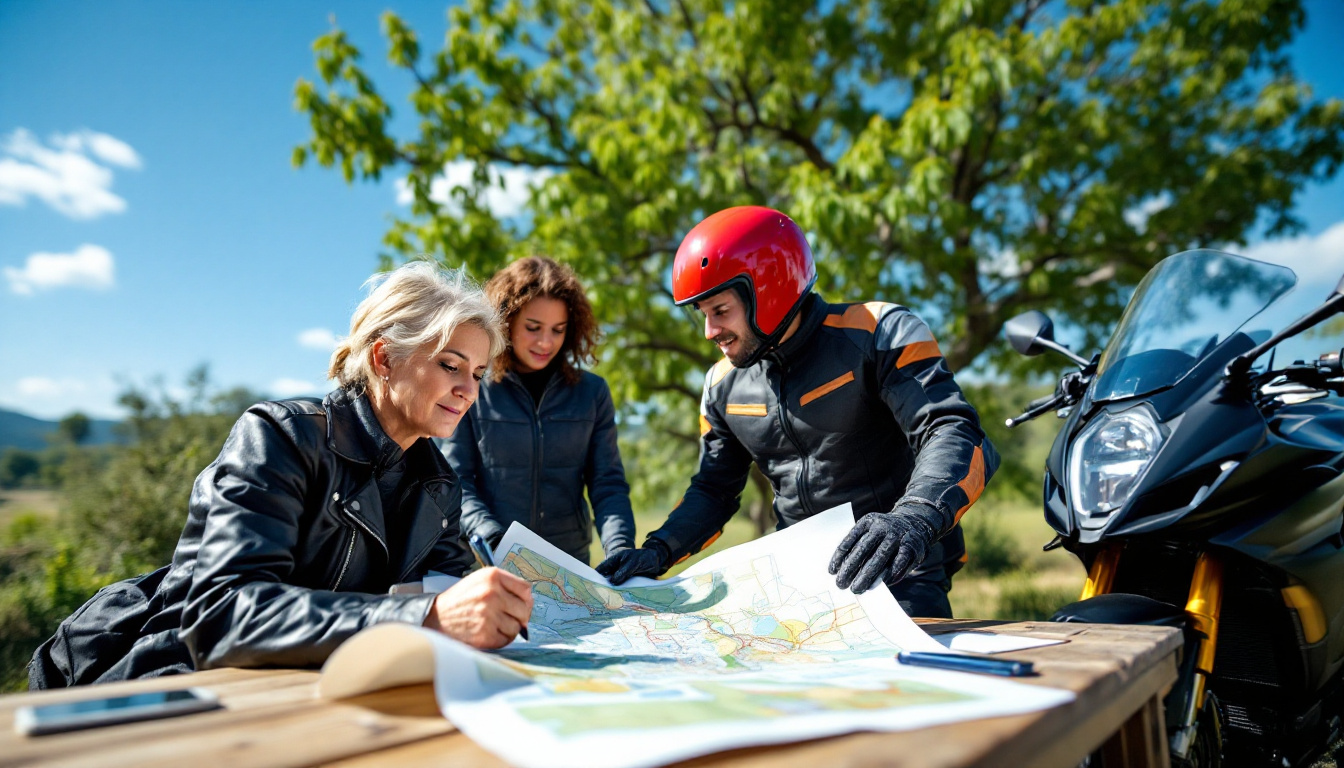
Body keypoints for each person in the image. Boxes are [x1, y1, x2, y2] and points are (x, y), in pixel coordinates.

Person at [29, 262, 534, 689]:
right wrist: (426, 617)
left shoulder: (438, 484)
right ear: (384, 358)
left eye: (477, 374)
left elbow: (448, 601)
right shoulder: (282, 437)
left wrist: (493, 611)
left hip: (319, 692)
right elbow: (222, 615)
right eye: (451, 365)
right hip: (185, 689)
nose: (468, 390)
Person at [596, 206, 998, 618]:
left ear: (769, 290)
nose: (710, 332)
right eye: (703, 315)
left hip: (897, 571)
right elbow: (714, 491)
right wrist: (658, 550)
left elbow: (952, 431)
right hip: (797, 584)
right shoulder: (721, 384)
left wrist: (912, 518)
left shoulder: (880, 331)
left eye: (720, 311)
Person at [443, 256, 635, 565]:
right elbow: (456, 480)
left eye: (558, 330)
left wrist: (620, 548)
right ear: (506, 322)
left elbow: (607, 483)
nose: (545, 342)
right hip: (492, 563)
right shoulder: (473, 387)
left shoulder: (593, 393)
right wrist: (493, 538)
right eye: (533, 328)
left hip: (570, 565)